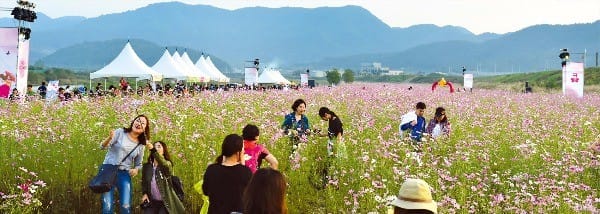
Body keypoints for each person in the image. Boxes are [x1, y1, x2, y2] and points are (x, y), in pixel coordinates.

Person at [99, 115, 151, 214]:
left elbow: (138, 164)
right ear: (133, 122)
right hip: (108, 171)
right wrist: (109, 138)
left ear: (145, 129)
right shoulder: (120, 132)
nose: (138, 123)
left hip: (124, 174)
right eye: (137, 120)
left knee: (125, 206)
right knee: (107, 206)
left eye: (142, 123)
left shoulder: (141, 145)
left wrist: (136, 169)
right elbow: (102, 147)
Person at [202, 134, 252, 214]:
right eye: (243, 149)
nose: (244, 151)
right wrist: (242, 164)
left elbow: (205, 191)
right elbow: (249, 196)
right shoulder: (245, 172)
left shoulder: (212, 170)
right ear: (238, 152)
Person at [141, 141, 185, 214]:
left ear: (164, 150)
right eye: (155, 146)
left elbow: (163, 163)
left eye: (159, 146)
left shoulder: (167, 164)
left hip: (166, 202)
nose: (156, 148)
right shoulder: (147, 166)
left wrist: (153, 149)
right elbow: (144, 182)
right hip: (152, 201)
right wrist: (145, 193)